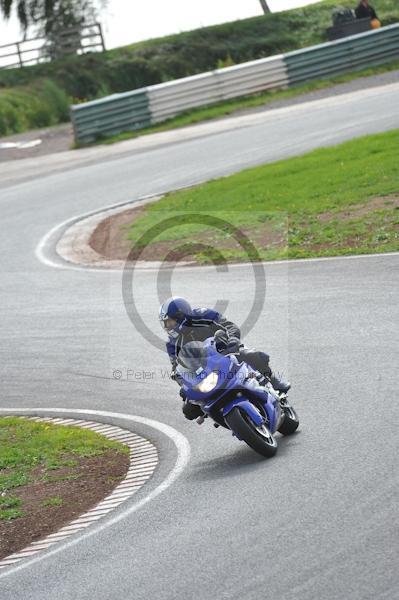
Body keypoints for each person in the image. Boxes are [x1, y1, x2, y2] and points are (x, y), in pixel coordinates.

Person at [159, 297, 290, 420]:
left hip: (226, 352)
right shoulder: (172, 344)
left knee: (250, 355)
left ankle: (273, 381)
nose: (168, 327)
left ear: (181, 315)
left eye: (170, 322)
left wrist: (232, 340)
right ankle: (227, 417)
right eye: (165, 324)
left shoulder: (203, 315)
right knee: (189, 410)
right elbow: (177, 367)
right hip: (205, 372)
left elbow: (229, 326)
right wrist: (183, 383)